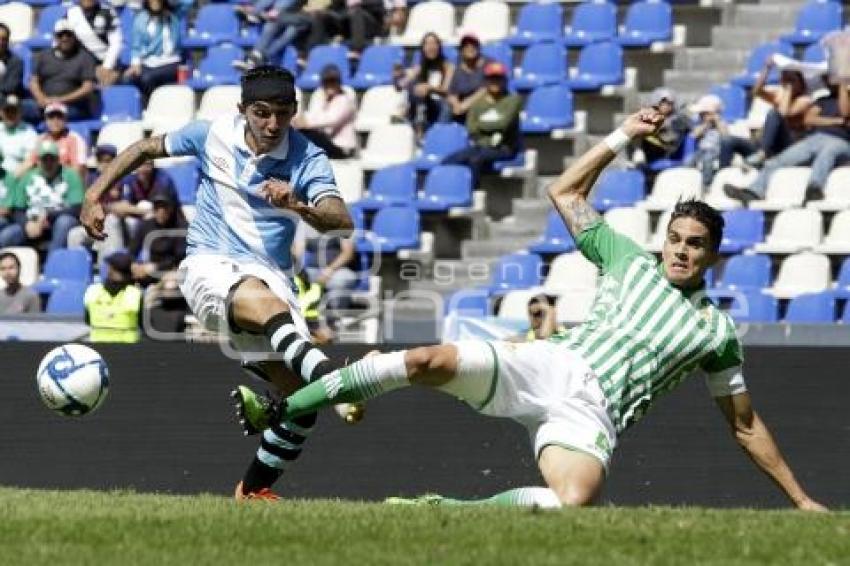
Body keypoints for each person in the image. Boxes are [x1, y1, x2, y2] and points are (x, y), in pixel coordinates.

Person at [258, 109, 828, 512]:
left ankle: (445, 508)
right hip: (552, 363)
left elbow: (746, 424)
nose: (681, 249)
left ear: (712, 254)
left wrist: (801, 501)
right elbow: (566, 193)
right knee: (427, 359)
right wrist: (624, 134)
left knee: (572, 502)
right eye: (676, 237)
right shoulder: (626, 256)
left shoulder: (715, 331)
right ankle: (287, 408)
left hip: (594, 415)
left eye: (695, 243)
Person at [79, 65, 355, 500]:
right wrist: (95, 195)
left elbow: (341, 221)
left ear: (295, 111)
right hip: (209, 265)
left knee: (302, 404)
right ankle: (339, 381)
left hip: (272, 279)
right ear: (242, 109)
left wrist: (298, 204)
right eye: (262, 113)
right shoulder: (211, 134)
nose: (272, 124)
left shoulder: (308, 157)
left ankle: (252, 490)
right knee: (270, 313)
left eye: (282, 113)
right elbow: (145, 149)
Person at [725, 79, 850, 206]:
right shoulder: (823, 100)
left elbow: (845, 113)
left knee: (826, 154)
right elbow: (809, 119)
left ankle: (814, 188)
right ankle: (754, 191)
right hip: (815, 139)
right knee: (777, 161)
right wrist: (838, 122)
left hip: (841, 141)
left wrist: (843, 86)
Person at [721, 59, 813, 169]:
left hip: (787, 145)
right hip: (767, 144)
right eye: (785, 79)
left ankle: (762, 154)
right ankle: (722, 173)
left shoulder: (805, 100)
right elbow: (757, 92)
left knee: (774, 113)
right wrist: (766, 69)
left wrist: (789, 90)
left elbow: (783, 114)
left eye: (791, 80)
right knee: (728, 141)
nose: (786, 83)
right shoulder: (780, 95)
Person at [442, 61, 521, 186]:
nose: (495, 82)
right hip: (481, 146)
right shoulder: (479, 103)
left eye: (498, 78)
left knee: (475, 160)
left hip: (504, 148)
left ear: (504, 80)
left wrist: (480, 125)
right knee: (449, 160)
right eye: (492, 78)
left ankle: (472, 193)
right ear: (486, 81)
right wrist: (488, 127)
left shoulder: (513, 100)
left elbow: (503, 124)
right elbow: (471, 128)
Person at [14, 140, 85, 253]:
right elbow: (18, 209)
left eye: (52, 159)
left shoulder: (70, 175)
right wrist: (26, 223)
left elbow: (77, 208)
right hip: (32, 222)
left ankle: (51, 266)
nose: (48, 163)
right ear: (38, 161)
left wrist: (47, 217)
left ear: (58, 160)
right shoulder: (27, 177)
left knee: (64, 222)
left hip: (59, 220)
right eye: (44, 160)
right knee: (8, 235)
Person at [27, 19, 98, 123]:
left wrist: (59, 100)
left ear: (74, 36)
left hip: (71, 106)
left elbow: (87, 87)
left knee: (59, 113)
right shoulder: (42, 56)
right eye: (60, 35)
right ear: (55, 37)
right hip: (44, 103)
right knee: (16, 108)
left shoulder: (85, 57)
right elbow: (33, 81)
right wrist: (41, 98)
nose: (65, 38)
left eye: (68, 35)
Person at [66, 144, 128, 262]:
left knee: (112, 221)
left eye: (108, 160)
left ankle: (109, 269)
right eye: (101, 160)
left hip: (118, 225)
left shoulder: (122, 179)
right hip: (96, 226)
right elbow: (85, 207)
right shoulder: (91, 179)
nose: (104, 164)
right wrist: (111, 208)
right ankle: (77, 272)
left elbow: (125, 208)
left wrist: (107, 209)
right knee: (74, 234)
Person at [125, 0, 186, 102]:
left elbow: (188, 2)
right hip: (149, 62)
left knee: (147, 78)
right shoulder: (140, 19)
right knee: (127, 79)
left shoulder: (174, 15)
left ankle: (156, 105)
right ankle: (140, 107)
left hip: (170, 61)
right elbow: (136, 46)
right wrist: (135, 64)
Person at [292, 65, 357, 159]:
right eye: (327, 82)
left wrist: (305, 122)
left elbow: (331, 120)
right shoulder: (321, 98)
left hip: (342, 147)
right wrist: (299, 120)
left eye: (333, 81)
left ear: (339, 83)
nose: (330, 85)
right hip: (328, 143)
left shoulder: (345, 100)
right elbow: (313, 114)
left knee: (306, 134)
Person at [233, 0, 312, 71]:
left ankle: (257, 57)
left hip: (299, 18)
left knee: (290, 29)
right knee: (278, 25)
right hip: (286, 15)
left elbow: (313, 13)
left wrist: (276, 14)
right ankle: (257, 56)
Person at [84, 250, 142, 342]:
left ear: (110, 269)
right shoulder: (135, 294)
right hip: (128, 350)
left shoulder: (93, 291)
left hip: (98, 348)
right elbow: (142, 324)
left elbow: (87, 320)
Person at [404, 32, 454, 137]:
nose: (431, 47)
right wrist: (400, 76)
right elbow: (405, 81)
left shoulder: (448, 66)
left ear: (439, 47)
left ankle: (438, 134)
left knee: (447, 105)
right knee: (414, 88)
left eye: (434, 44)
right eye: (427, 44)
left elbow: (446, 90)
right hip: (423, 102)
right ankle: (417, 130)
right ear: (423, 48)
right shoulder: (420, 67)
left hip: (440, 103)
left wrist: (430, 88)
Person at [65, 0, 124, 87]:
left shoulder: (107, 12)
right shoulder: (71, 13)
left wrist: (107, 67)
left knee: (107, 81)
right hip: (82, 62)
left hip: (105, 62)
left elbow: (116, 43)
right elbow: (62, 38)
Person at [635, 87, 691, 166]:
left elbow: (672, 138)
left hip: (670, 151)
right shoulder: (651, 117)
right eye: (664, 103)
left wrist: (659, 128)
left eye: (670, 103)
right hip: (652, 152)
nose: (667, 106)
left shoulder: (680, 119)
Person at [686, 94, 727, 188]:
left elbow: (726, 136)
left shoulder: (721, 123)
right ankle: (689, 182)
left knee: (707, 160)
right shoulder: (701, 124)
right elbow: (693, 135)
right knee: (689, 160)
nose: (702, 115)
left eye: (705, 113)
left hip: (715, 150)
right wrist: (706, 124)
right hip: (701, 150)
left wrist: (716, 122)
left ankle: (706, 183)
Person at [446, 34, 486, 124]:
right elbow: (451, 92)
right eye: (466, 46)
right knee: (446, 108)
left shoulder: (488, 64)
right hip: (461, 106)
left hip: (480, 103)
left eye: (473, 45)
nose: (470, 48)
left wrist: (465, 105)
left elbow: (486, 89)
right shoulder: (456, 66)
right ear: (461, 50)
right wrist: (456, 104)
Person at [0, 95, 37, 179]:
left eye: (14, 111)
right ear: (1, 113)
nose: (10, 114)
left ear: (20, 113)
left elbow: (30, 161)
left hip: (19, 176)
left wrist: (11, 179)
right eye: (7, 111)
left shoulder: (29, 132)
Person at [0, 23, 25, 99]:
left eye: (4, 39)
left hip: (6, 98)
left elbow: (10, 87)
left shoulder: (16, 61)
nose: (0, 42)